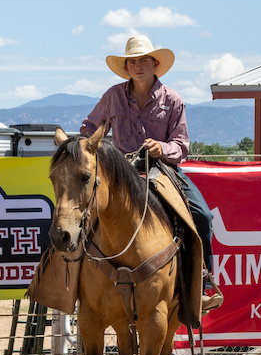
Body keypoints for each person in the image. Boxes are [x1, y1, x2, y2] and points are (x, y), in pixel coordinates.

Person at [80, 35, 222, 313]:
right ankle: (73, 284)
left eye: (143, 60)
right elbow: (89, 129)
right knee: (80, 212)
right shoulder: (113, 97)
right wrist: (92, 150)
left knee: (202, 216)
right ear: (126, 68)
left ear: (155, 64)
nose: (137, 66)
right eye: (132, 62)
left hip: (164, 171)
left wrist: (162, 148)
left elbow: (181, 145)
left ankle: (203, 283)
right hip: (122, 172)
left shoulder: (172, 99)